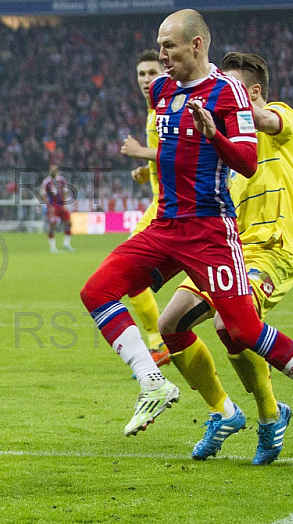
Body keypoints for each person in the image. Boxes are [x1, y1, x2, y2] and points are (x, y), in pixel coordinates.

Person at [79, 9, 293, 457]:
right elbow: (175, 151)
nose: (161, 58)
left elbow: (246, 153)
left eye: (168, 46)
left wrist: (216, 133)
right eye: (159, 47)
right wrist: (152, 168)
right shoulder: (164, 90)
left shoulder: (234, 98)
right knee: (101, 293)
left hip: (221, 234)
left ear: (196, 45)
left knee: (240, 330)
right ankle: (156, 383)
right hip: (168, 226)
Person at [156, 52, 293, 464]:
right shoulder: (227, 149)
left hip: (273, 250)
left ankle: (270, 415)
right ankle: (223, 411)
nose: (223, 98)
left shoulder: (283, 120)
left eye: (234, 92)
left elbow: (263, 120)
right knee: (169, 322)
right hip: (228, 250)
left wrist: (223, 108)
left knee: (232, 325)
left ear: (254, 93)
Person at [120, 49, 170, 367]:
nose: (145, 80)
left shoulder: (166, 108)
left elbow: (180, 152)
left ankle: (158, 342)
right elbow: (165, 157)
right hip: (162, 202)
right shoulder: (154, 111)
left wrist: (141, 152)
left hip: (170, 207)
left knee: (128, 269)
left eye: (152, 73)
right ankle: (160, 341)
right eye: (141, 74)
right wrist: (146, 169)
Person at [41, 165, 73, 252]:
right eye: (52, 170)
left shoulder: (62, 180)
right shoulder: (47, 182)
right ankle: (52, 247)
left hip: (61, 206)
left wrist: (65, 204)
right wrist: (49, 206)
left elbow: (65, 192)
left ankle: (66, 244)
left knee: (68, 223)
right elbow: (43, 195)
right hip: (53, 207)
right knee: (53, 225)